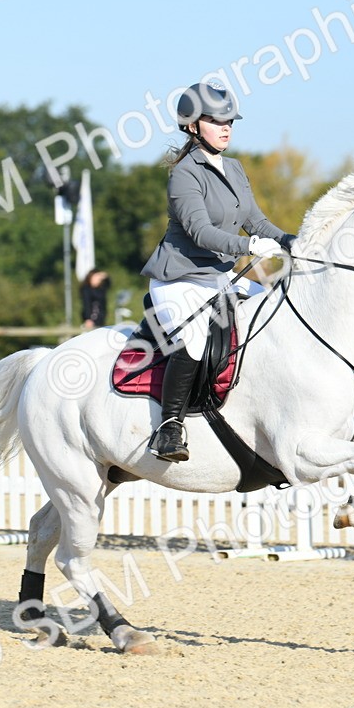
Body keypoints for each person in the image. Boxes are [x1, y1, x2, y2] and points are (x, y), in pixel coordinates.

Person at [140, 81, 295, 462]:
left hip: (220, 279)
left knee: (277, 312)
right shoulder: (184, 174)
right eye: (215, 120)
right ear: (192, 126)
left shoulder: (236, 168)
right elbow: (200, 232)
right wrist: (248, 247)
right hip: (180, 278)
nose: (226, 127)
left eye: (229, 121)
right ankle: (169, 426)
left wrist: (293, 240)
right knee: (194, 339)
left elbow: (255, 220)